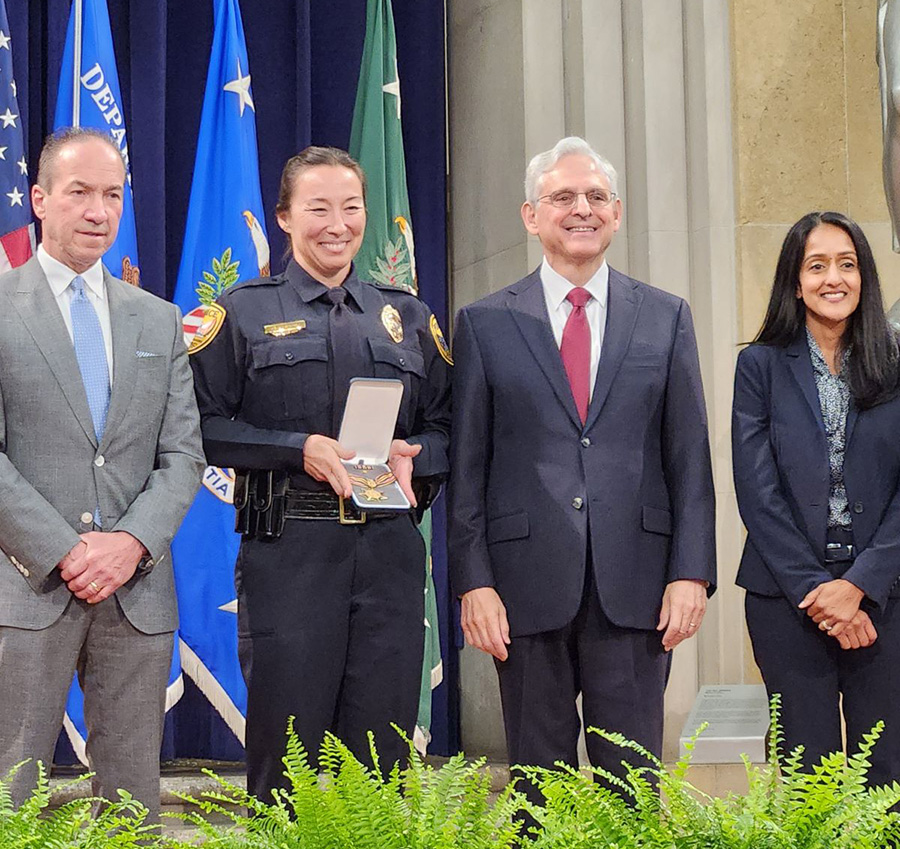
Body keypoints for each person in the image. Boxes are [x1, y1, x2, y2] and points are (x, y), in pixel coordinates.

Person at [448, 136, 716, 788]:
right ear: (530, 215)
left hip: (638, 589)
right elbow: (468, 469)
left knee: (632, 789)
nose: (582, 209)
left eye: (596, 196)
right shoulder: (484, 323)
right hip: (523, 590)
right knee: (540, 792)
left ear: (618, 213)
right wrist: (473, 581)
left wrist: (691, 573)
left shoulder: (666, 317)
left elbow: (689, 458)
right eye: (563, 196)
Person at [189, 146, 451, 801]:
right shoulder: (239, 313)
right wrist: (295, 446)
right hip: (289, 556)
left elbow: (452, 429)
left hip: (390, 553)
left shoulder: (409, 317)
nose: (338, 223)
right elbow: (198, 427)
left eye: (351, 207)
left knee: (381, 766)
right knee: (288, 762)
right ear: (284, 217)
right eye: (318, 208)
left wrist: (413, 454)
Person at [0, 128, 205, 820]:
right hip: (26, 590)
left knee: (131, 808)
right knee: (11, 795)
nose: (98, 210)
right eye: (80, 192)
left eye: (112, 194)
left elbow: (183, 456)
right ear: (39, 199)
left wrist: (131, 543)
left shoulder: (159, 319)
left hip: (135, 593)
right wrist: (64, 549)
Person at [733, 211, 900, 784]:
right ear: (795, 280)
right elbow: (757, 491)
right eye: (817, 265)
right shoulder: (758, 366)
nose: (835, 278)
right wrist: (818, 592)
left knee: (886, 771)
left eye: (847, 264)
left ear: (864, 275)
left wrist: (859, 585)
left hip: (885, 594)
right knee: (809, 775)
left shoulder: (897, 361)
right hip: (787, 598)